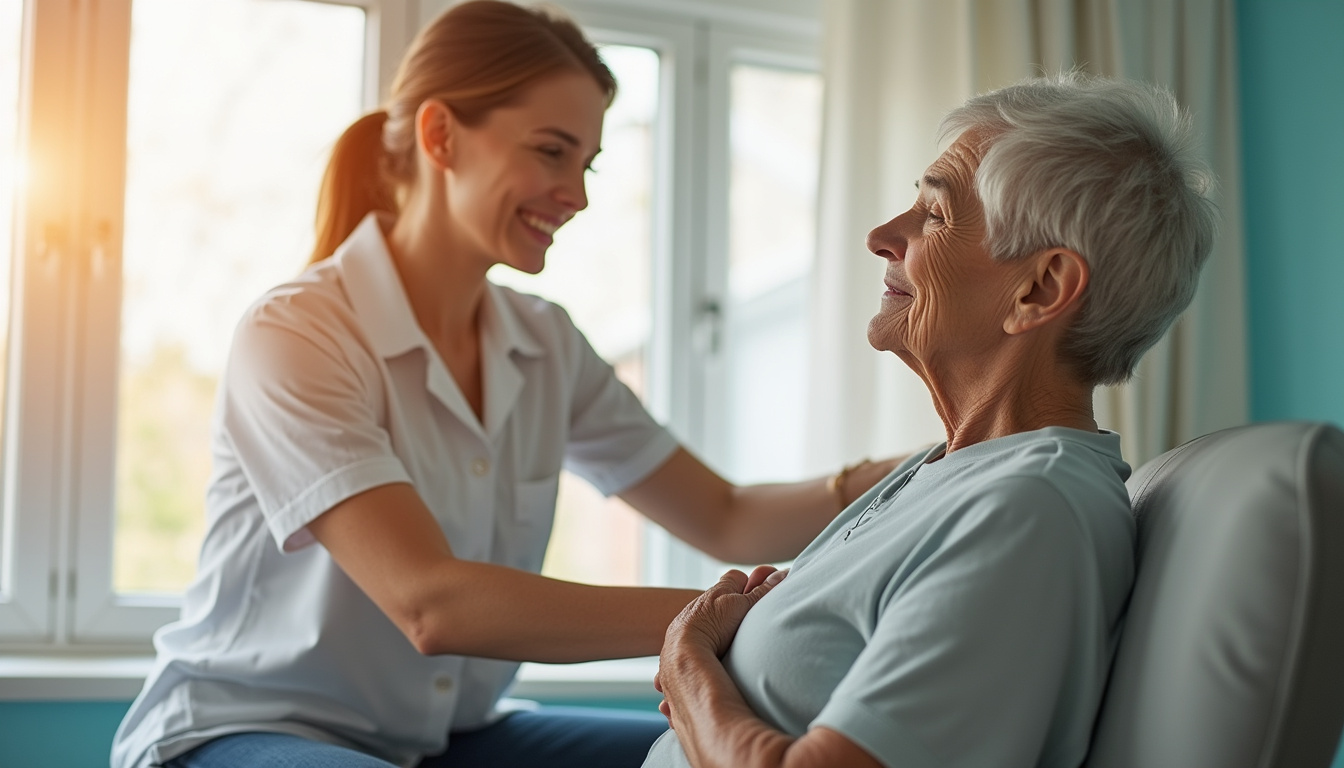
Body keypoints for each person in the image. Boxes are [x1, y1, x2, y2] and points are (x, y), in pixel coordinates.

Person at [109, 3, 901, 768]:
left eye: (586, 164)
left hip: (438, 740)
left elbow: (725, 515)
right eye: (551, 152)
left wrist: (931, 468)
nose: (578, 194)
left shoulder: (545, 344)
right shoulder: (298, 333)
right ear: (440, 134)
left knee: (708, 758)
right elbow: (430, 603)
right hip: (240, 732)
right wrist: (719, 618)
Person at [646, 73, 1217, 768]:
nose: (883, 236)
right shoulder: (950, 470)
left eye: (936, 216)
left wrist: (687, 663)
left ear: (1038, 289)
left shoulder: (1025, 510)